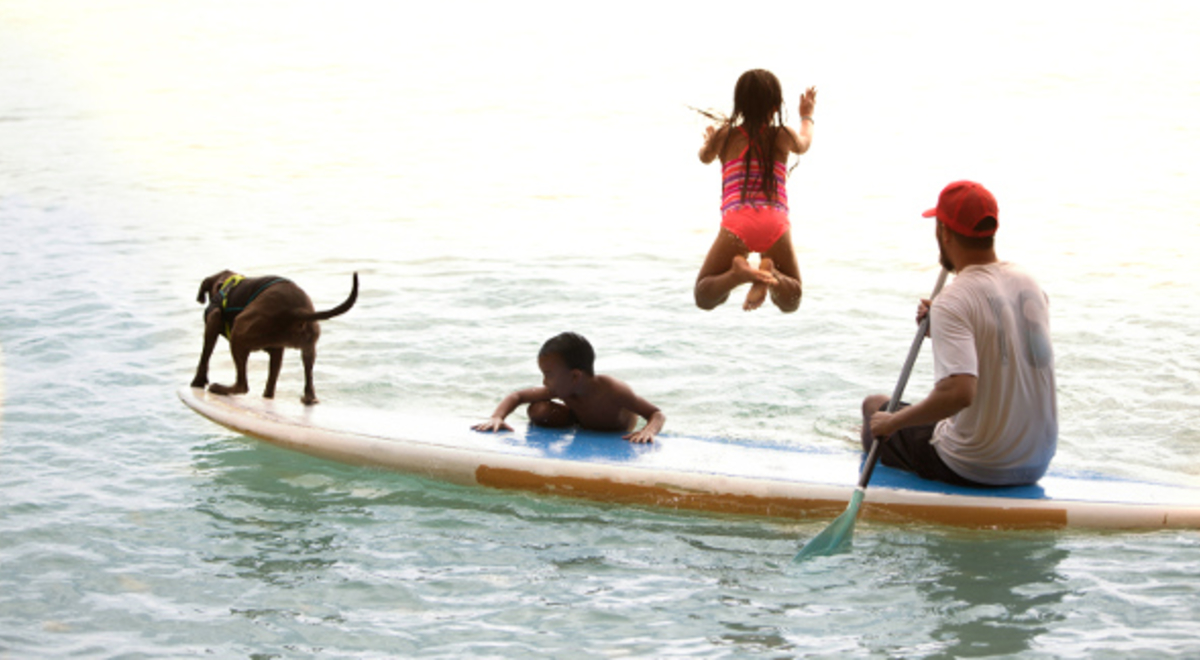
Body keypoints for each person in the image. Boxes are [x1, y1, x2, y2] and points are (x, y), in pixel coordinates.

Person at [861, 181, 1057, 487]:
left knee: (874, 408)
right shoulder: (1028, 281)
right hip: (1038, 461)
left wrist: (893, 422)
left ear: (944, 233)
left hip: (974, 465)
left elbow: (959, 394)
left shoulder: (953, 299)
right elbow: (1005, 346)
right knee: (923, 417)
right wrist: (941, 327)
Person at [695, 69, 816, 312]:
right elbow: (804, 142)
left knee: (704, 295)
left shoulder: (725, 136)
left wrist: (710, 141)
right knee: (790, 300)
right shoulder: (782, 135)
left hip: (737, 223)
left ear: (738, 104)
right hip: (774, 221)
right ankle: (771, 274)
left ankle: (737, 275)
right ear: (775, 107)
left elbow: (704, 157)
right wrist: (806, 116)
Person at [472, 332, 666, 443]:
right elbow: (518, 396)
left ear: (574, 376)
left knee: (540, 409)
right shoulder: (563, 388)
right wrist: (497, 417)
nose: (544, 382)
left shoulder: (614, 390)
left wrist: (648, 431)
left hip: (614, 430)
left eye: (549, 375)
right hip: (580, 422)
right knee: (539, 410)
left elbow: (656, 414)